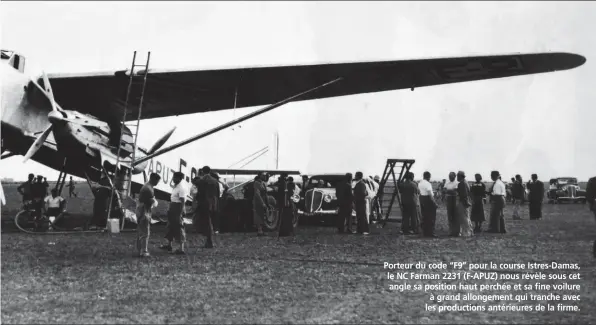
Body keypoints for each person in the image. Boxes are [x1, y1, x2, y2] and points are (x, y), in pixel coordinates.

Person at [160, 172, 188, 254]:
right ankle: (169, 245)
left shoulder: (181, 188)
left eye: (175, 177)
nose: (173, 179)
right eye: (173, 177)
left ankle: (181, 249)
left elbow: (182, 201)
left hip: (177, 208)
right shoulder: (176, 187)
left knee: (179, 227)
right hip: (173, 206)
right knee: (170, 226)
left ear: (179, 178)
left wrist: (182, 210)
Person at [135, 173, 160, 257]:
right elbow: (152, 202)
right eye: (157, 181)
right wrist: (155, 202)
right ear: (154, 179)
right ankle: (144, 251)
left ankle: (139, 249)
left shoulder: (147, 186)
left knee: (141, 230)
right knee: (145, 231)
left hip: (142, 208)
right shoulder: (148, 189)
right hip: (144, 210)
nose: (158, 183)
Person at [195, 166, 220, 248]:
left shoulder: (202, 181)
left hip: (205, 203)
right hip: (214, 203)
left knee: (206, 222)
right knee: (212, 221)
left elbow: (200, 193)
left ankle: (209, 241)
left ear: (202, 171)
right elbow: (218, 193)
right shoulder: (215, 181)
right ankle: (210, 239)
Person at [418, 171, 438, 237]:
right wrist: (435, 203)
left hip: (422, 199)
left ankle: (425, 232)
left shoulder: (420, 183)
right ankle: (430, 233)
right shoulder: (428, 184)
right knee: (431, 217)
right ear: (428, 177)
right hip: (428, 200)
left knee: (424, 216)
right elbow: (430, 194)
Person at [456, 171, 473, 237]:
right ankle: (470, 231)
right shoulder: (465, 182)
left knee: (464, 218)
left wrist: (465, 202)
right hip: (466, 201)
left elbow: (463, 195)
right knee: (467, 217)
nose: (457, 177)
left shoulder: (461, 183)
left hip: (463, 202)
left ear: (460, 176)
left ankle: (466, 232)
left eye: (457, 176)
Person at [253, 172, 269, 236]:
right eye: (263, 175)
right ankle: (259, 231)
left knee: (262, 215)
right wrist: (262, 203)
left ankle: (261, 230)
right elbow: (257, 194)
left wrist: (266, 202)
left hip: (263, 200)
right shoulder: (256, 183)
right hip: (258, 202)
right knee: (258, 216)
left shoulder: (262, 183)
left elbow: (265, 193)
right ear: (260, 176)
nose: (264, 177)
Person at [445, 172, 459, 236]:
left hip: (455, 199)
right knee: (449, 215)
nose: (450, 177)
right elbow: (444, 190)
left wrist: (448, 191)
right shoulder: (447, 182)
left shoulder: (457, 183)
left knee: (455, 215)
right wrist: (451, 191)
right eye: (449, 176)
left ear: (455, 176)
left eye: (451, 176)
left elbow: (455, 192)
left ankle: (456, 231)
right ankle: (451, 230)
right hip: (448, 199)